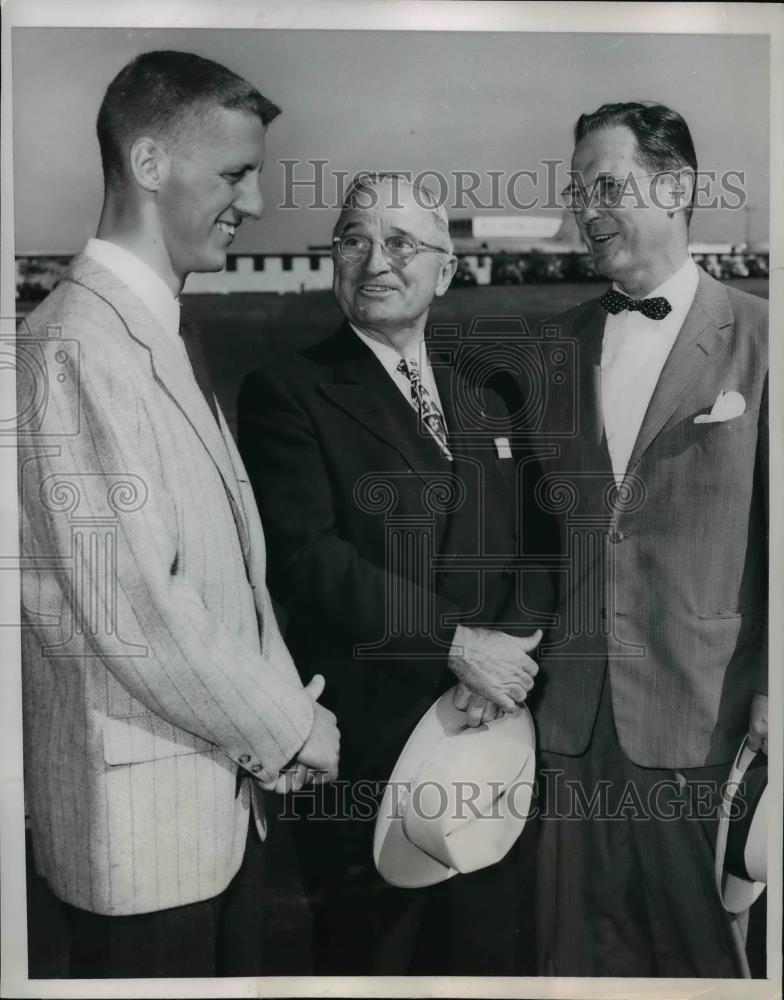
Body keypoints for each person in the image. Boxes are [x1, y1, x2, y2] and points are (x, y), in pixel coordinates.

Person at [18, 50, 339, 979]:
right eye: (236, 173)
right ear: (150, 165)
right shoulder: (75, 347)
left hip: (208, 818)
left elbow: (224, 571)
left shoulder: (142, 328)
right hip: (145, 846)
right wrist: (287, 726)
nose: (259, 203)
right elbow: (140, 611)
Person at [237, 173, 553, 974]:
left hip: (493, 738)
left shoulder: (491, 390)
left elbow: (539, 538)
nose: (375, 260)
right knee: (373, 965)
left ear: (445, 270)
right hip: (368, 754)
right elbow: (310, 559)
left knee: (490, 958)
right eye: (354, 239)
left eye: (402, 242)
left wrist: (504, 656)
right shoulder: (288, 392)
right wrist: (456, 647)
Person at [528, 101, 768, 977]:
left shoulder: (765, 338)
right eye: (575, 191)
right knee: (577, 968)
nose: (584, 212)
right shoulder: (554, 347)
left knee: (710, 969)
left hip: (706, 730)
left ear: (676, 187)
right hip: (573, 729)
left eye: (604, 186)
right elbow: (535, 538)